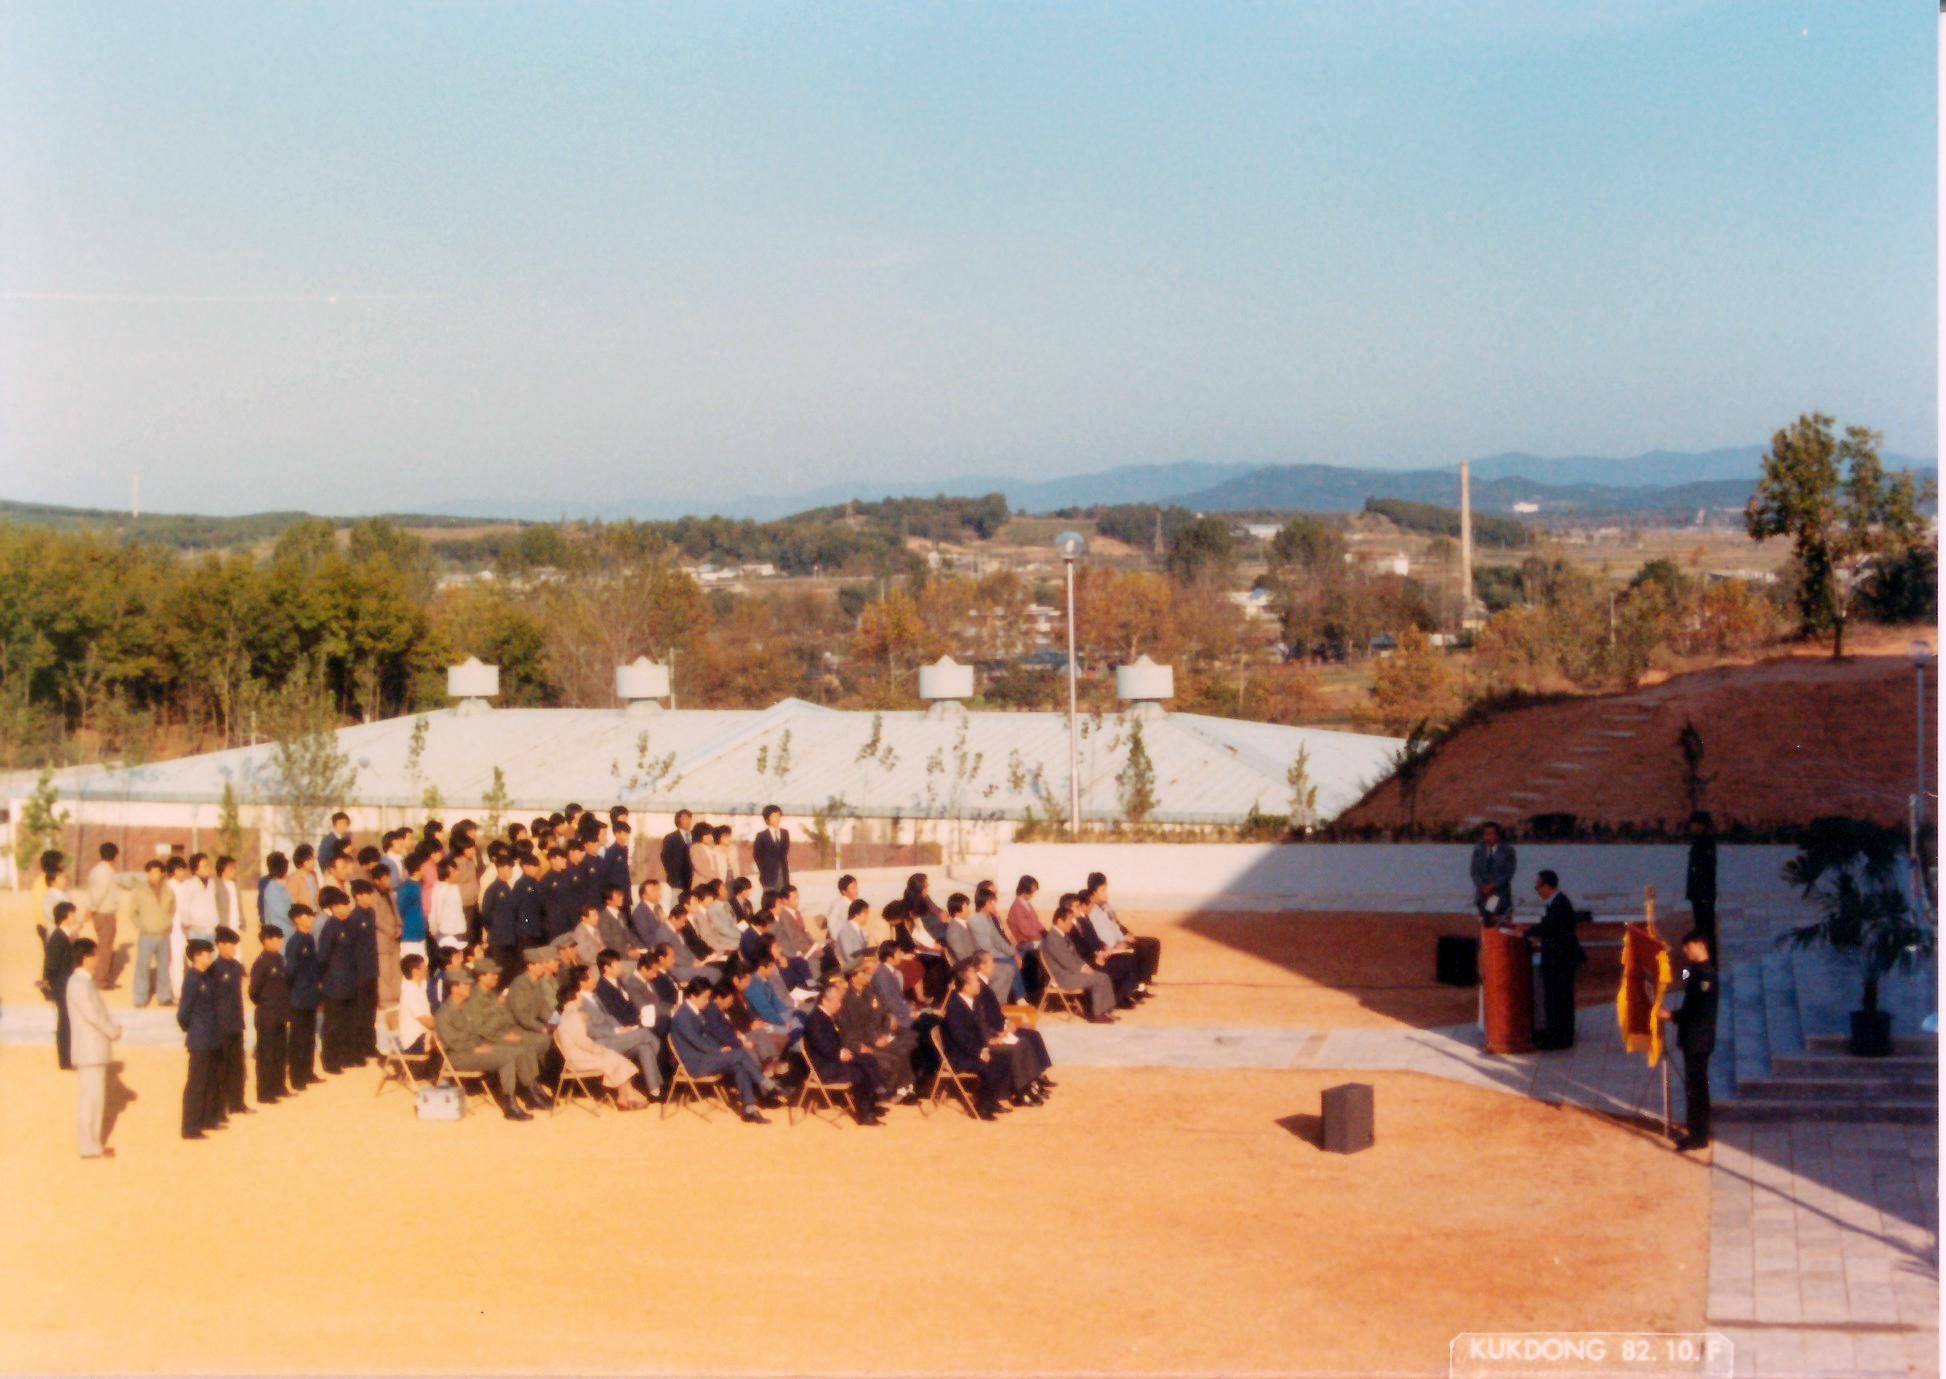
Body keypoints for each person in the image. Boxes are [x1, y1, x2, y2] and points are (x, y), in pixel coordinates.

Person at [669, 976, 775, 1123]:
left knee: (739, 1063)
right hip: (694, 1062)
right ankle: (764, 1082)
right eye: (705, 998)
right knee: (739, 1054)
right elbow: (697, 1042)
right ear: (693, 996)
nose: (707, 1002)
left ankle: (750, 1109)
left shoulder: (695, 1011)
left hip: (704, 1057)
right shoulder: (683, 1016)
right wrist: (719, 1051)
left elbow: (706, 1038)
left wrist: (720, 1049)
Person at [432, 967, 532, 1121]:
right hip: (458, 1056)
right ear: (454, 988)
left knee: (516, 1051)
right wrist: (475, 1048)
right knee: (506, 1059)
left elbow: (475, 1032)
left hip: (472, 1049)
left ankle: (528, 1089)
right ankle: (510, 1103)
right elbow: (452, 1042)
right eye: (465, 985)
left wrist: (482, 1044)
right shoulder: (444, 1013)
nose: (469, 988)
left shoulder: (465, 1007)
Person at [465, 957, 550, 1110]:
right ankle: (524, 1093)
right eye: (492, 974)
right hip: (485, 1040)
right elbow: (480, 1030)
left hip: (501, 1034)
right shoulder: (474, 998)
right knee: (522, 1048)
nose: (496, 977)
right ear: (481, 976)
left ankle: (532, 1088)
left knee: (530, 1043)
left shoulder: (492, 994)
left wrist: (510, 1031)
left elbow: (505, 1019)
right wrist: (503, 1036)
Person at [556, 975, 650, 1110]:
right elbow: (582, 1041)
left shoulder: (569, 1014)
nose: (581, 997)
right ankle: (626, 1096)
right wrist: (597, 1049)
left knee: (614, 1057)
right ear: (574, 997)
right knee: (611, 1058)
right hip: (577, 1058)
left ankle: (625, 1095)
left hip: (580, 1054)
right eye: (579, 995)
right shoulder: (573, 1016)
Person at [1662, 930, 1718, 1152]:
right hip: (1693, 1038)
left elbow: (1697, 1010)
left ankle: (1698, 1135)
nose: (1685, 950)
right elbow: (1685, 979)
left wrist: (1671, 1016)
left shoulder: (1706, 977)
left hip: (1698, 1039)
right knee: (1693, 1087)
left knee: (1696, 1088)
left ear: (1700, 945)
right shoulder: (1695, 970)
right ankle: (1695, 1127)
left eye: (1688, 947)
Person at [802, 980, 886, 1125]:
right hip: (825, 1067)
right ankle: (864, 1114)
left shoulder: (826, 1016)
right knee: (859, 1073)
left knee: (868, 1059)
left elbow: (834, 1042)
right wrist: (839, 1053)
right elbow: (821, 1045)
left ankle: (872, 1102)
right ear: (825, 1000)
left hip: (833, 1059)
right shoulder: (815, 1019)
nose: (840, 1005)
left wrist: (844, 1050)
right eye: (837, 1001)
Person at [974, 951, 1054, 1102]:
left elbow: (995, 1011)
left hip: (1000, 1026)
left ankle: (1038, 1074)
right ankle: (1029, 1082)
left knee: (1033, 1034)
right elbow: (983, 1018)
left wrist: (1007, 1022)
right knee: (1025, 1039)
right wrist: (1000, 1030)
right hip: (995, 1031)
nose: (993, 966)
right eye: (990, 962)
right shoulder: (979, 987)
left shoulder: (984, 984)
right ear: (981, 966)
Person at [65, 939, 119, 1157]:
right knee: (91, 1099)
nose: (97, 959)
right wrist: (110, 1030)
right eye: (94, 955)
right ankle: (88, 1145)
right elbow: (91, 1014)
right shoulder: (78, 984)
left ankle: (92, 1144)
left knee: (95, 1098)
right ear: (85, 957)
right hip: (90, 1048)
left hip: (93, 1048)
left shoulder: (83, 982)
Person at [584, 949, 664, 1095]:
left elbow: (628, 1005)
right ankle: (660, 1059)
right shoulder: (602, 989)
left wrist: (637, 1018)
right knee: (648, 1035)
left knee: (645, 1047)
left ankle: (655, 1089)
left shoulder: (619, 982)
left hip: (625, 1027)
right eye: (616, 963)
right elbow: (612, 1014)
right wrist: (625, 1028)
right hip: (614, 1034)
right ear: (606, 967)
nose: (620, 966)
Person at [941, 965, 1014, 1120]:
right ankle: (981, 1106)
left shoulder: (970, 1001)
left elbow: (978, 1031)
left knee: (1004, 1055)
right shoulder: (955, 1006)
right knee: (990, 1065)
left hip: (973, 1049)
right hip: (959, 1055)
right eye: (975, 981)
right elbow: (960, 1038)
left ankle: (992, 1100)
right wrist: (980, 1052)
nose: (979, 984)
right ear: (966, 986)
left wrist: (987, 1046)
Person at [1526, 870, 1584, 1051]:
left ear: (1547, 886)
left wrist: (1527, 932)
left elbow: (1551, 927)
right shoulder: (1557, 902)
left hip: (1560, 959)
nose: (1537, 891)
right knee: (1557, 998)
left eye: (1538, 887)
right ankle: (1556, 1033)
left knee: (1559, 998)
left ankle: (1560, 1037)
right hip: (1558, 957)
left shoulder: (1560, 903)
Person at [178, 938, 224, 1139]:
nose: (210, 957)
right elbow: (183, 1013)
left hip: (211, 1036)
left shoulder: (206, 977)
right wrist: (194, 1029)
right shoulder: (192, 979)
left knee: (210, 1080)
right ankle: (190, 1127)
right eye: (206, 953)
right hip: (199, 1039)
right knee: (196, 1083)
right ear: (196, 956)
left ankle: (207, 1119)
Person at [1041, 901, 1117, 1022]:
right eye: (1069, 920)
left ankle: (1104, 1011)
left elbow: (1075, 956)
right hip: (1063, 977)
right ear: (1060, 921)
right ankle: (1098, 1014)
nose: (1072, 923)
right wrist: (1082, 969)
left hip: (1071, 973)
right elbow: (1066, 960)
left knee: (1103, 976)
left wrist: (1084, 965)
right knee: (1100, 978)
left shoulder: (1062, 935)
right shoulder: (1053, 938)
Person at [1083, 873, 1160, 991]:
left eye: (1105, 889)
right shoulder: (1093, 913)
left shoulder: (1105, 907)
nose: (1106, 893)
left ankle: (1145, 978)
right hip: (1113, 943)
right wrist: (1120, 941)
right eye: (1103, 890)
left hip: (1119, 937)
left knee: (1152, 942)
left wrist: (1126, 934)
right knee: (1141, 948)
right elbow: (1102, 934)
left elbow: (1116, 923)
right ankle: (1140, 982)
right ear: (1093, 893)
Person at [315, 886, 360, 1074]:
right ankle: (330, 1061)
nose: (346, 909)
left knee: (346, 1021)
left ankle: (345, 1056)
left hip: (348, 981)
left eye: (347, 905)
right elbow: (323, 956)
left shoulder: (346, 926)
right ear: (333, 907)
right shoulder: (330, 927)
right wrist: (321, 980)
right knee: (332, 1023)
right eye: (342, 905)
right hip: (334, 983)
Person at [247, 925, 292, 1104]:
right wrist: (267, 1004)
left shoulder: (279, 960)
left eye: (280, 938)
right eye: (274, 938)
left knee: (280, 1052)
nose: (278, 942)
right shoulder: (261, 963)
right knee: (266, 1053)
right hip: (267, 1014)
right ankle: (265, 1092)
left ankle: (279, 1086)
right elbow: (253, 992)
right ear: (265, 940)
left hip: (280, 1013)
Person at [211, 926, 250, 1116]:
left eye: (235, 945)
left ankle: (237, 1102)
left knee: (237, 1066)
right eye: (230, 945)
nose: (233, 948)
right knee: (221, 1067)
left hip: (236, 1023)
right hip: (221, 1025)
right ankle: (220, 1106)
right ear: (220, 945)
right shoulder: (214, 969)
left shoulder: (236, 967)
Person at [128, 859, 176, 1008]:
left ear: (162, 874)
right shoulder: (140, 891)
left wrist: (167, 924)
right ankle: (140, 999)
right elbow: (132, 912)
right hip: (146, 936)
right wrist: (142, 925)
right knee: (142, 967)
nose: (153, 875)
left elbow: (172, 910)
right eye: (150, 872)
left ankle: (165, 997)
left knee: (164, 967)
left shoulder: (169, 891)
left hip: (163, 935)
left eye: (156, 872)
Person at [969, 881, 1025, 1002]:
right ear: (985, 903)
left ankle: (1012, 998)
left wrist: (1013, 953)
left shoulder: (988, 918)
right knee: (1012, 964)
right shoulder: (976, 920)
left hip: (995, 953)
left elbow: (998, 939)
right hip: (985, 957)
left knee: (1023, 956)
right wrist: (1009, 956)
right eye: (992, 902)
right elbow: (986, 948)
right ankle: (1020, 998)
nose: (995, 904)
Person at [44, 901, 83, 1068]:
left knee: (68, 1022)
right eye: (72, 914)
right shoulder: (58, 937)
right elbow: (51, 965)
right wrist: (56, 986)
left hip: (65, 984)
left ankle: (68, 1058)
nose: (74, 916)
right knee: (65, 1023)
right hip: (62, 985)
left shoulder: (64, 934)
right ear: (64, 917)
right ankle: (65, 1061)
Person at [285, 904, 321, 1090]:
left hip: (310, 994)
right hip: (298, 995)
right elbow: (290, 971)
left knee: (309, 1036)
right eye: (306, 916)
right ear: (297, 919)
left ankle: (308, 1071)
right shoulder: (295, 942)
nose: (310, 919)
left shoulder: (309, 939)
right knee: (298, 1038)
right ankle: (297, 1077)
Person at [84, 843, 124, 988]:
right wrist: (92, 908)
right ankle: (100, 980)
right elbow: (99, 893)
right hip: (104, 912)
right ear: (114, 855)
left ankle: (99, 977)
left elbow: (92, 892)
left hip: (101, 912)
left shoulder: (96, 870)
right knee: (105, 949)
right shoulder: (106, 872)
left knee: (103, 947)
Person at [1007, 875, 1048, 999]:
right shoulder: (1017, 907)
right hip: (1025, 943)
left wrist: (1045, 932)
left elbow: (1037, 922)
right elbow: (1025, 930)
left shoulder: (1027, 905)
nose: (1034, 893)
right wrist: (1041, 936)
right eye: (1033, 889)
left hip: (1034, 940)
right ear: (1027, 889)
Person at [1470, 822, 1517, 924]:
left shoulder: (1508, 850)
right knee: (1486, 927)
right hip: (1483, 896)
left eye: (1492, 833)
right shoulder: (1478, 850)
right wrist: (1483, 886)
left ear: (1498, 835)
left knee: (1502, 926)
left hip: (1500, 895)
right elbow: (1474, 872)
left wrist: (1492, 885)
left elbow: (1508, 873)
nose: (1489, 837)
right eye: (1486, 834)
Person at [1685, 811, 1718, 952]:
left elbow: (1706, 869)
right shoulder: (1699, 841)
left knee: (1706, 928)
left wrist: (1703, 893)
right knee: (1701, 926)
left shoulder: (1705, 842)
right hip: (1699, 892)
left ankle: (1708, 960)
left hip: (1703, 892)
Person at [394, 953, 436, 1057]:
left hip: (423, 1036)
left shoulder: (419, 988)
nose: (426, 969)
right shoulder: (411, 992)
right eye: (423, 967)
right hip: (414, 1041)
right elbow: (427, 1022)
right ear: (415, 972)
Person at [753, 805, 791, 893]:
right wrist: (764, 870)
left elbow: (785, 852)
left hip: (783, 873)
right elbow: (757, 855)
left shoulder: (785, 833)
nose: (777, 818)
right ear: (767, 818)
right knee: (770, 900)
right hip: (768, 876)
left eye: (778, 815)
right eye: (774, 816)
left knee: (783, 897)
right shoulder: (761, 835)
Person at [661, 810, 695, 904]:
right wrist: (673, 874)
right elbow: (665, 858)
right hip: (678, 880)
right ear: (678, 820)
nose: (688, 821)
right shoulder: (670, 838)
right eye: (684, 818)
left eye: (689, 818)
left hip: (694, 880)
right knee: (677, 905)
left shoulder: (695, 836)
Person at [260, 852, 294, 941]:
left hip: (289, 934)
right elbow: (284, 913)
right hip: (279, 938)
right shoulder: (272, 889)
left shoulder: (283, 886)